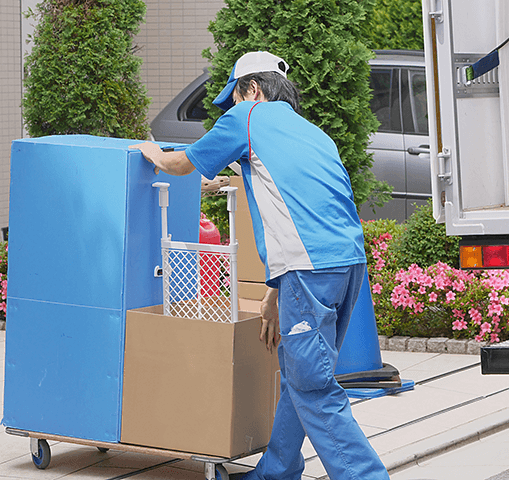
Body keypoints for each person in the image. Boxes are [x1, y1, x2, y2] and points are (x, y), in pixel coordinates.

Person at [130, 51, 390, 480]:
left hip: (310, 271)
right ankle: (275, 473)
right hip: (346, 265)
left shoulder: (247, 116)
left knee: (314, 388)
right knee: (297, 374)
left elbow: (181, 164)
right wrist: (275, 294)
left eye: (232, 97)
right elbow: (308, 214)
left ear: (252, 89)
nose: (230, 108)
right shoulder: (312, 133)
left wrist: (151, 151)